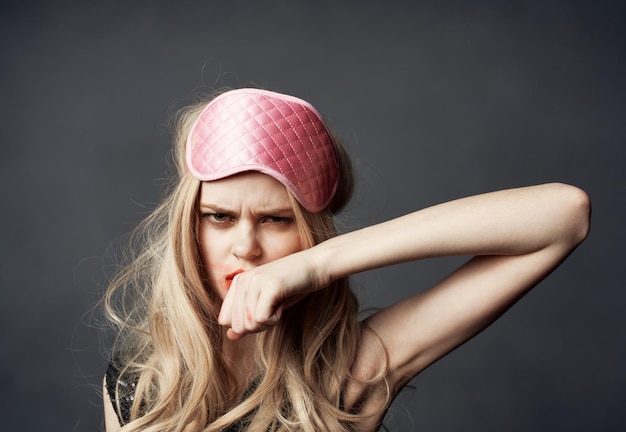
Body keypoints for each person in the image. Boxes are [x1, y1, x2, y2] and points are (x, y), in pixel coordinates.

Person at [102, 88, 590, 432]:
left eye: (276, 220)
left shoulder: (355, 369)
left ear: (310, 235)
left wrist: (320, 263)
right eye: (220, 217)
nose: (246, 247)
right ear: (190, 228)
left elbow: (564, 215)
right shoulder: (137, 386)